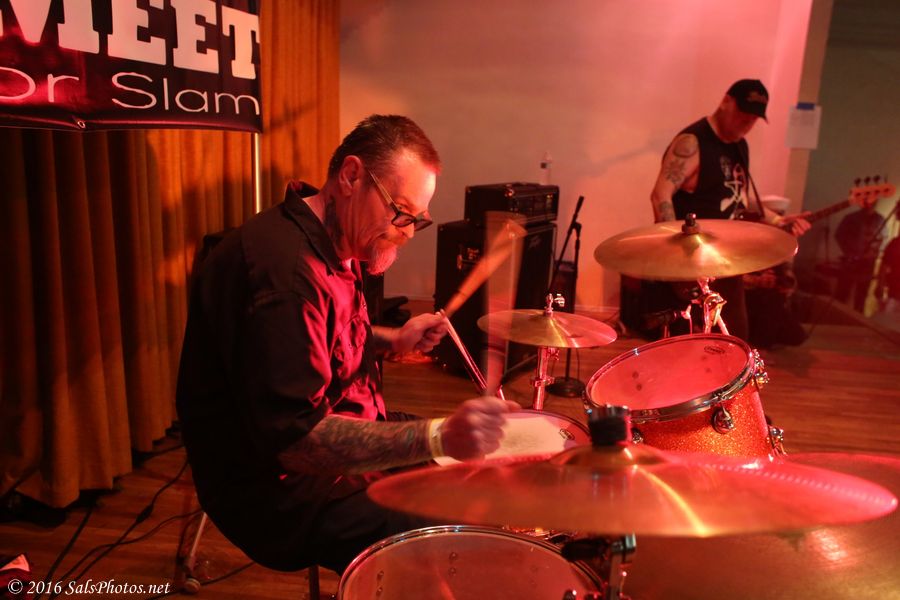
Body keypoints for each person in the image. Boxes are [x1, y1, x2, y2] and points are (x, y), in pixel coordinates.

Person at [175, 114, 518, 575]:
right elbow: (297, 442)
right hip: (280, 492)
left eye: (417, 220)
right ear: (351, 176)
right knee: (445, 536)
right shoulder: (287, 277)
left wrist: (392, 338)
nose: (406, 232)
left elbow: (318, 340)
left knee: (476, 477)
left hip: (342, 433)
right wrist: (438, 436)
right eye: (400, 212)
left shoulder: (334, 238)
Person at [644, 79, 810, 340]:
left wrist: (778, 220)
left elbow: (737, 199)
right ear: (726, 102)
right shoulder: (692, 142)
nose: (746, 123)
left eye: (753, 119)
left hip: (727, 262)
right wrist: (676, 260)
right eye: (742, 115)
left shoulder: (739, 146)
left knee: (734, 343)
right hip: (694, 266)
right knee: (691, 345)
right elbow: (660, 195)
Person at [834, 204, 885, 312]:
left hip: (867, 263)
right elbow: (839, 235)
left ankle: (857, 316)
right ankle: (836, 316)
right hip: (851, 261)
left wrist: (874, 251)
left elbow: (883, 238)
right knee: (842, 293)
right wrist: (849, 251)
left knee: (861, 296)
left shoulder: (880, 220)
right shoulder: (851, 218)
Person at [875, 233, 900, 313]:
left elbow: (884, 265)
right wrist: (880, 285)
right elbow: (884, 265)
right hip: (894, 292)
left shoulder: (895, 243)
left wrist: (880, 285)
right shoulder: (896, 243)